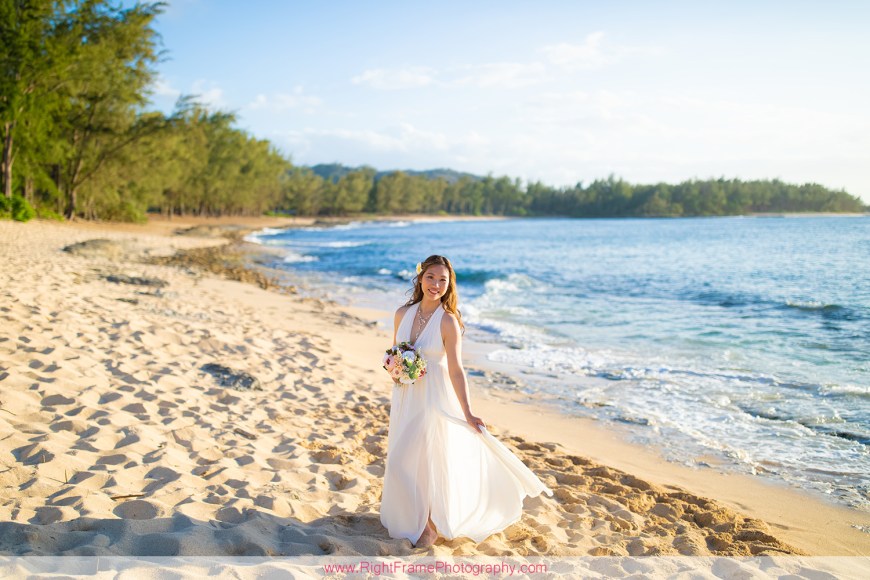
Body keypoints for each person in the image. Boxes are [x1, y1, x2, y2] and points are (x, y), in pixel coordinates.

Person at [379, 255, 552, 548]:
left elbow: (456, 369)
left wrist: (468, 412)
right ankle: (416, 518)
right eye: (430, 277)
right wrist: (397, 371)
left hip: (434, 397)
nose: (436, 285)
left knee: (422, 460)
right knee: (403, 459)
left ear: (449, 285)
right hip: (407, 395)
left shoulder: (448, 321)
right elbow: (394, 354)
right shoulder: (402, 314)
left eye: (442, 280)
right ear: (420, 278)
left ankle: (428, 526)